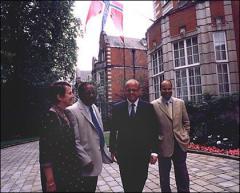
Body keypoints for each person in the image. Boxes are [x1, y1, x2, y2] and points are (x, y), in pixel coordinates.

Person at [109, 79, 159, 192]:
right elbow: (113, 130)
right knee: (127, 184)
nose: (131, 92)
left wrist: (154, 151)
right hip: (124, 155)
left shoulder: (148, 108)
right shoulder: (118, 108)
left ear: (139, 91)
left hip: (143, 154)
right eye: (129, 90)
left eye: (134, 90)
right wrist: (112, 150)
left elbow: (154, 131)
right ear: (125, 91)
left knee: (140, 181)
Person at [65, 82, 112, 192]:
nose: (92, 95)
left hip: (96, 158)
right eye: (88, 93)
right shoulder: (72, 110)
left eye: (93, 92)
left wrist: (106, 153)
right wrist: (85, 160)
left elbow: (99, 131)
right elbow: (74, 141)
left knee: (92, 188)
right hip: (85, 163)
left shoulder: (94, 107)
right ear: (80, 94)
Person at [39, 81, 82, 192]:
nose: (73, 96)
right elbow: (45, 151)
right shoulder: (51, 117)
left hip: (70, 171)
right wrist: (50, 180)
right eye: (70, 93)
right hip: (59, 174)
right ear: (59, 96)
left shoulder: (66, 113)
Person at [151, 79, 190, 192]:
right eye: (164, 88)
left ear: (172, 89)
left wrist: (185, 136)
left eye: (169, 88)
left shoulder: (180, 103)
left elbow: (186, 122)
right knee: (164, 176)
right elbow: (152, 128)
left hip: (180, 144)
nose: (167, 91)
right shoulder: (154, 105)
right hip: (163, 145)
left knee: (182, 174)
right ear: (160, 89)